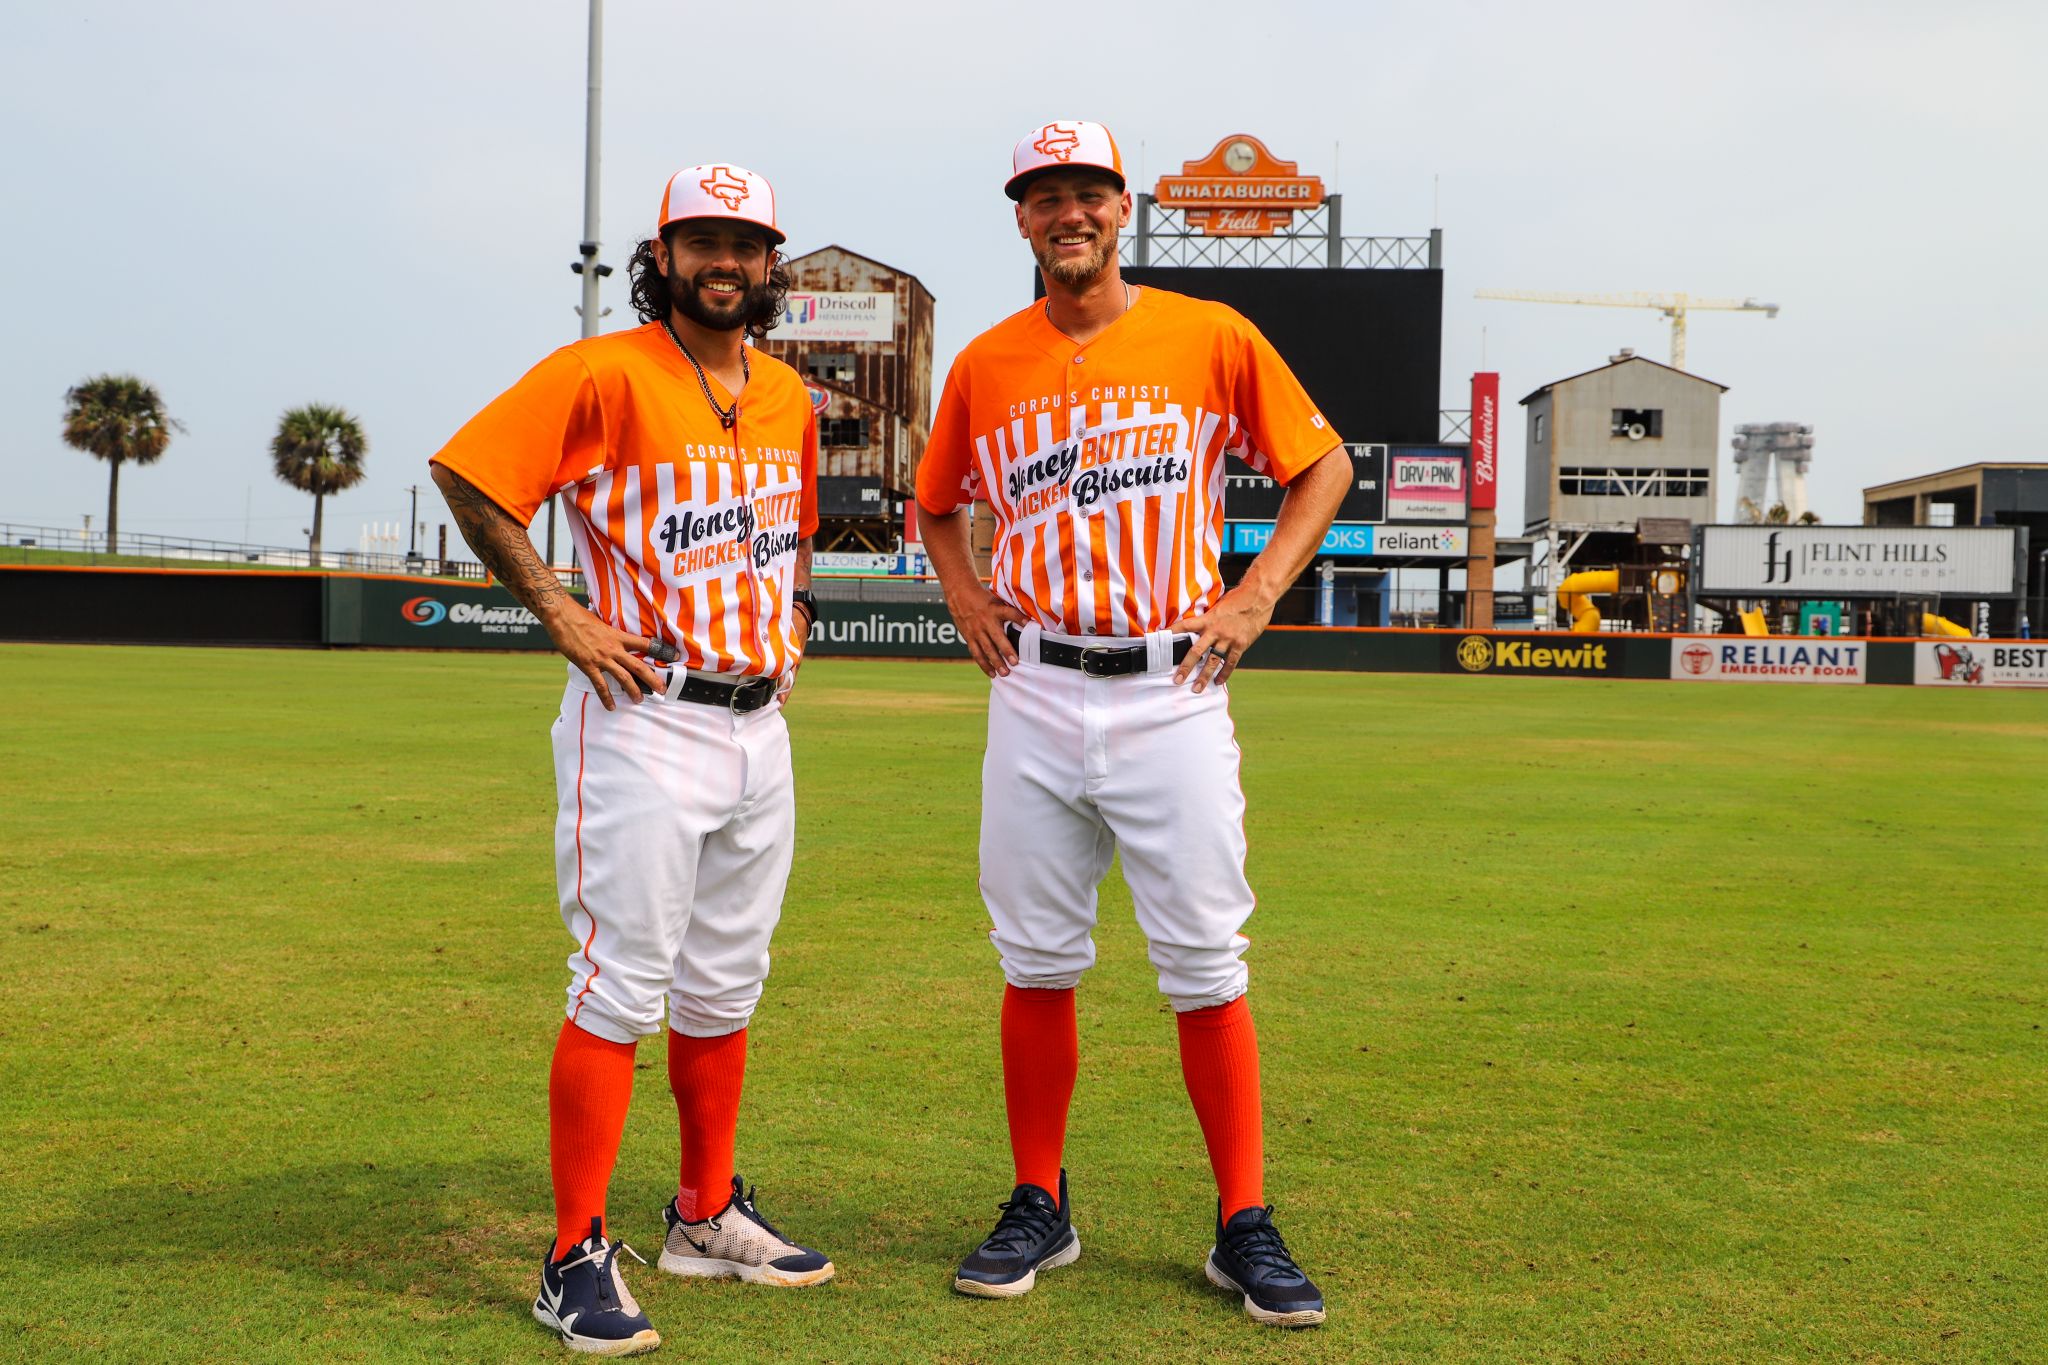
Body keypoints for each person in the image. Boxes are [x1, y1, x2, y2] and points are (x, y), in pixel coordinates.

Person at [914, 120, 1351, 1329]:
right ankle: (1037, 1201)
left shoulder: (1209, 334)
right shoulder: (986, 362)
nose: (1068, 212)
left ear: (1123, 207)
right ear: (1020, 218)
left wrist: (1254, 592)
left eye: (1087, 192)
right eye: (1043, 195)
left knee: (1206, 962)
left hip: (1173, 686)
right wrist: (959, 590)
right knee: (1036, 959)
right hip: (1038, 685)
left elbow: (1320, 465)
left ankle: (1242, 1222)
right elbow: (934, 501)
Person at [430, 162, 833, 1356]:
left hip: (759, 724)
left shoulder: (788, 398)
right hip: (645, 710)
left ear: (770, 263)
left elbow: (794, 533)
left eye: (745, 242)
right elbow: (469, 473)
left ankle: (704, 1215)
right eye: (701, 238)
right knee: (618, 985)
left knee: (724, 984)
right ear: (661, 255)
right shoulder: (602, 369)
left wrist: (796, 615)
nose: (725, 260)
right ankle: (572, 1254)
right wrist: (562, 614)